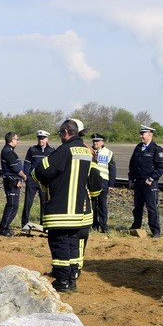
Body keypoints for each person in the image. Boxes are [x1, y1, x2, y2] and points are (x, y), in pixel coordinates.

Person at [31, 119, 102, 293]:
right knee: (72, 244)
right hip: (80, 212)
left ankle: (62, 281)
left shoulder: (63, 150)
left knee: (59, 243)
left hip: (61, 211)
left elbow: (41, 171)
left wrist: (35, 175)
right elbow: (96, 181)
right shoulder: (88, 152)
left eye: (60, 134)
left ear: (65, 132)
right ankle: (71, 279)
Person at [128, 125, 163, 237]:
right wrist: (131, 179)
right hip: (138, 182)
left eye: (142, 134)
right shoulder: (138, 147)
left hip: (149, 183)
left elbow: (161, 167)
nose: (141, 136)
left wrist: (151, 178)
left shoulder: (157, 149)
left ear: (150, 134)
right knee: (137, 207)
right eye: (140, 133)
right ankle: (136, 227)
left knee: (151, 207)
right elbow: (132, 164)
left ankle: (155, 231)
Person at [21, 130, 54, 228]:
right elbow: (26, 164)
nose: (41, 140)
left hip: (44, 181)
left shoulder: (52, 151)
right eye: (39, 138)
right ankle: (24, 224)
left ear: (47, 139)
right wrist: (27, 177)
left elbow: (52, 166)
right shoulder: (32, 150)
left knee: (44, 203)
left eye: (43, 138)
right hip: (32, 180)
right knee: (28, 202)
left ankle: (43, 224)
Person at [0, 132, 26, 236]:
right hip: (11, 181)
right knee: (12, 205)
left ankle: (5, 227)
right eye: (16, 139)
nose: (17, 141)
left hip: (14, 181)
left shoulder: (10, 151)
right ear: (11, 140)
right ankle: (4, 229)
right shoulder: (8, 151)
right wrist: (24, 176)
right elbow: (15, 168)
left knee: (13, 205)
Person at [91, 133, 117, 233]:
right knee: (92, 205)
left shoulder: (108, 153)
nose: (95, 143)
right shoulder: (90, 152)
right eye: (94, 141)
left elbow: (112, 169)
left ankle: (103, 226)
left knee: (102, 205)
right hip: (92, 182)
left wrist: (111, 184)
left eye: (97, 141)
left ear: (102, 142)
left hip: (103, 182)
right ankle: (93, 225)